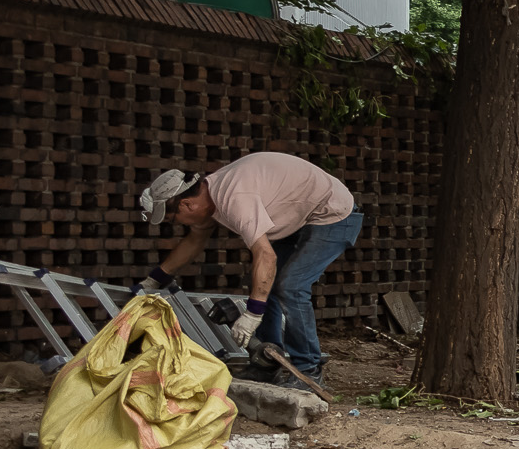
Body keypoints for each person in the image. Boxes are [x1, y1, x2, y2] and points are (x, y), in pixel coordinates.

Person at [138, 154, 362, 385]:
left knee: (291, 286)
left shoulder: (235, 199)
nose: (179, 224)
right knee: (266, 284)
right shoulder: (210, 195)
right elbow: (195, 240)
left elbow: (266, 255)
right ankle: (266, 364)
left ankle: (308, 371)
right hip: (304, 215)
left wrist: (252, 315)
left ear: (187, 204)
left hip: (333, 212)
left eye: (176, 219)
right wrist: (153, 280)